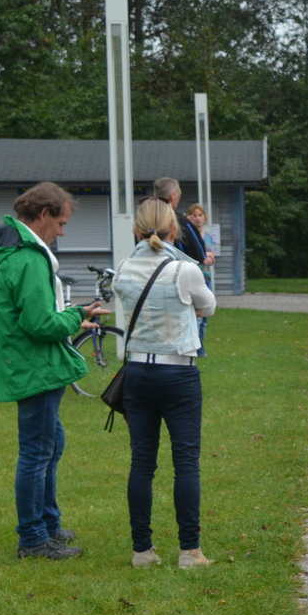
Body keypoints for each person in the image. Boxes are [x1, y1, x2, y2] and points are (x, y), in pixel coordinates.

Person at [0, 182, 108, 560]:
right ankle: (33, 539)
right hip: (34, 365)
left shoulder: (9, 251)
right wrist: (76, 314)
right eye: (62, 223)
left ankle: (48, 524)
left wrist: (72, 317)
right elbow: (41, 324)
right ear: (44, 215)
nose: (63, 232)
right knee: (37, 453)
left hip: (26, 362)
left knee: (51, 446)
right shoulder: (28, 257)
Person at [115, 197, 217, 568]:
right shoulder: (184, 269)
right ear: (175, 230)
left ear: (135, 230)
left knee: (142, 463)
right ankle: (189, 550)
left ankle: (141, 549)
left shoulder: (124, 269)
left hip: (139, 372)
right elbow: (208, 306)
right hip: (179, 371)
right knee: (186, 463)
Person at [184, 203, 218, 291]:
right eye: (194, 216)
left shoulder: (208, 237)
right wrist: (206, 254)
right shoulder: (188, 236)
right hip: (193, 277)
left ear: (204, 217)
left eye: (200, 215)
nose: (198, 218)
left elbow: (212, 257)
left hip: (206, 275)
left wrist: (211, 259)